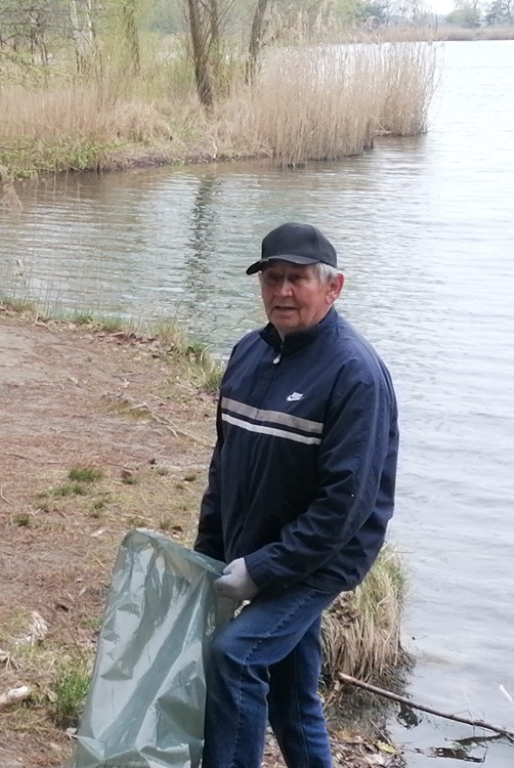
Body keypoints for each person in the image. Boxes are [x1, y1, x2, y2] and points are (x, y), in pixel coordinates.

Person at [194, 222, 399, 768]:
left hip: (320, 558)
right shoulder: (247, 354)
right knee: (290, 693)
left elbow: (346, 506)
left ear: (333, 287)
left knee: (235, 657)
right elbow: (226, 464)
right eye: (271, 278)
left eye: (297, 279)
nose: (282, 291)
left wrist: (263, 570)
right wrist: (209, 549)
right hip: (256, 543)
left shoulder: (355, 373)